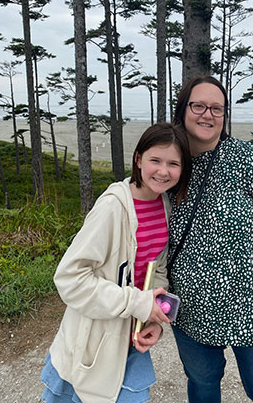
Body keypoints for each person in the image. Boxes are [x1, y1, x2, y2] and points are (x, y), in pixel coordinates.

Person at [40, 123, 191, 403]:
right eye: (155, 160)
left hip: (131, 338)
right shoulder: (112, 208)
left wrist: (153, 318)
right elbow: (69, 279)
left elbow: (156, 269)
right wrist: (136, 302)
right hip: (94, 337)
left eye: (173, 163)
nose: (163, 171)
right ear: (138, 159)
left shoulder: (164, 205)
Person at [168, 76, 253, 403]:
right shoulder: (169, 167)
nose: (207, 114)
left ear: (224, 117)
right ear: (183, 110)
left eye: (217, 109)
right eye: (198, 106)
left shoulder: (248, 160)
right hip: (190, 316)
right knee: (202, 385)